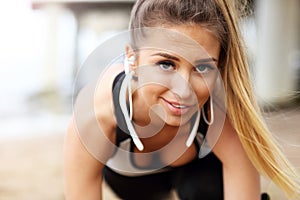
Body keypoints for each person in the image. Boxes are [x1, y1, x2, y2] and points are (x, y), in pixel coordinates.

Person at [64, 0, 300, 199]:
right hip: (132, 183)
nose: (184, 90)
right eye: (166, 64)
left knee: (206, 186)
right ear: (132, 58)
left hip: (199, 177)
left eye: (203, 67)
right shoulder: (95, 114)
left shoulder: (218, 108)